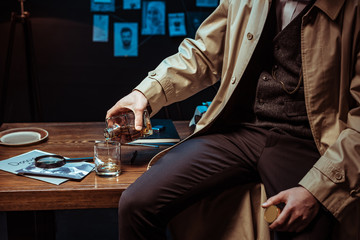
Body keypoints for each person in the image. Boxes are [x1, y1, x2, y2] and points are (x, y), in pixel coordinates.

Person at [106, 0, 360, 239]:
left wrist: (318, 190)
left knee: (309, 230)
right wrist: (144, 94)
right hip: (238, 131)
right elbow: (203, 54)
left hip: (308, 142)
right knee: (137, 204)